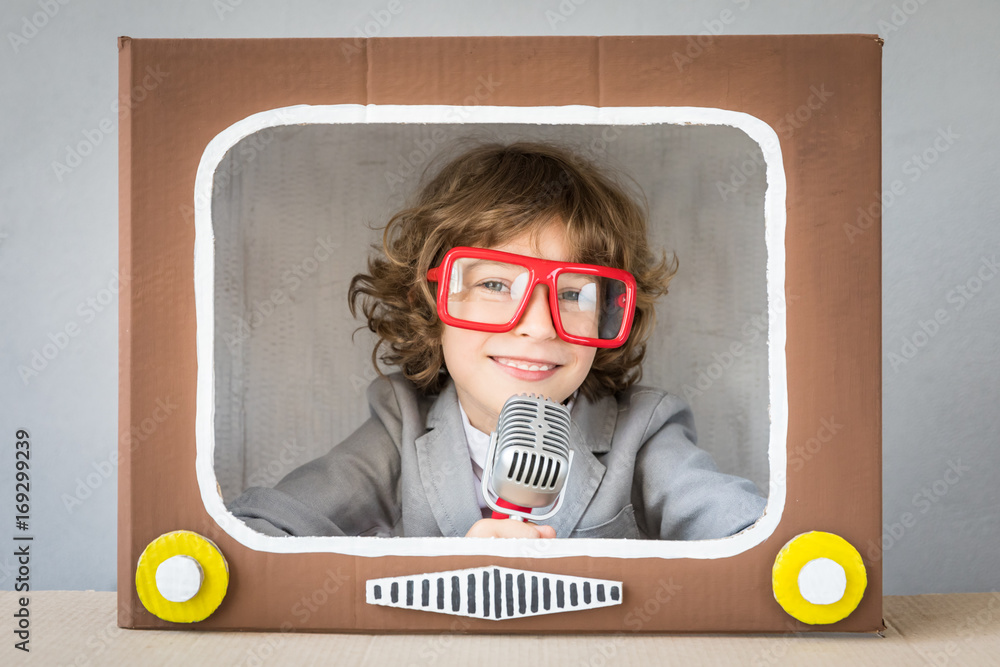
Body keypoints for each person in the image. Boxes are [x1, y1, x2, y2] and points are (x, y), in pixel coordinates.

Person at [228, 140, 766, 540]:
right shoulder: (399, 425)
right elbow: (265, 531)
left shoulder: (643, 432)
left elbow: (738, 528)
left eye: (575, 295)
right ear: (428, 303)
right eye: (493, 284)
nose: (539, 326)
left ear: (609, 315)